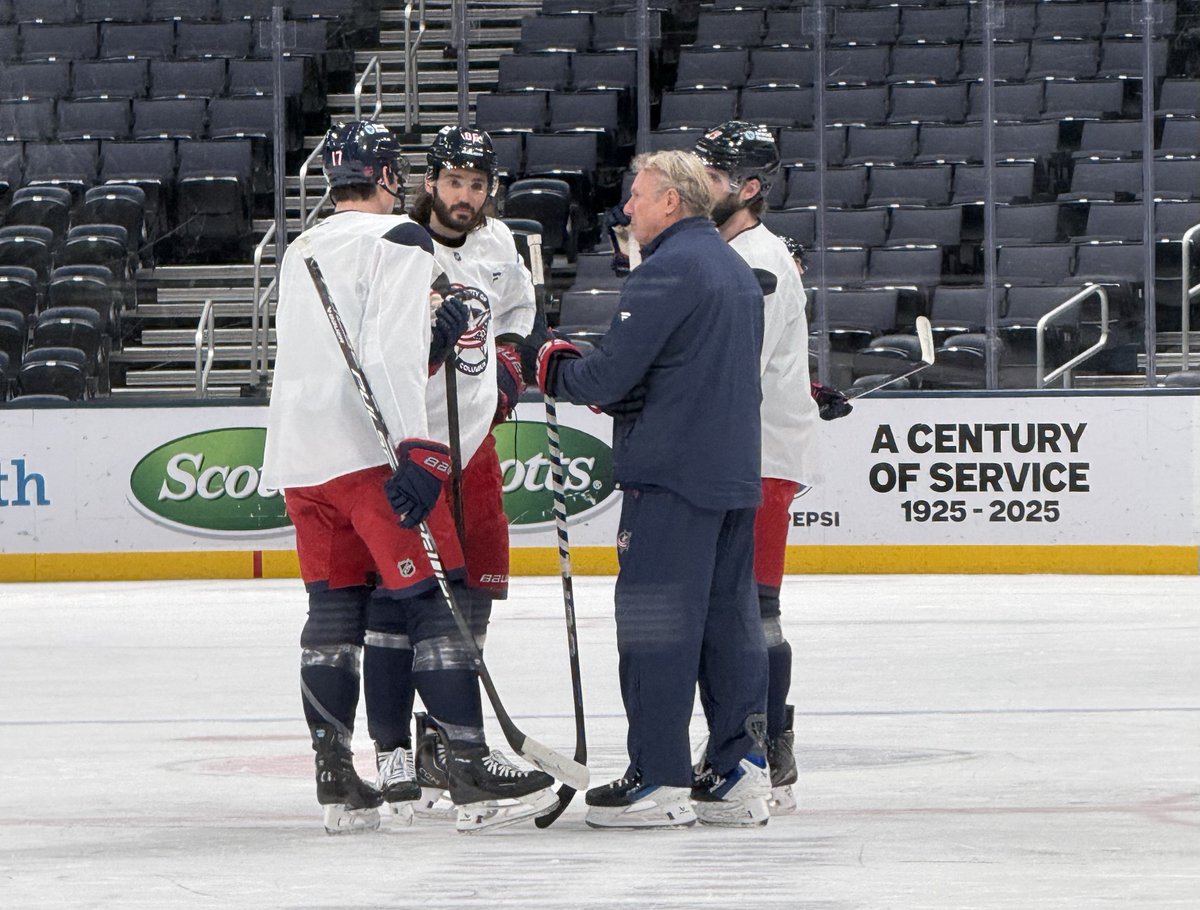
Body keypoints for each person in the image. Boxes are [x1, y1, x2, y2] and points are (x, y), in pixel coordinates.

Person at [261, 119, 555, 836]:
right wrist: (418, 449)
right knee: (436, 601)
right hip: (369, 456)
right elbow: (386, 357)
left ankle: (337, 776)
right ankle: (468, 764)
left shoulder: (301, 245)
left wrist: (435, 338)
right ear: (393, 176)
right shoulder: (401, 239)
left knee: (333, 613)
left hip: (303, 460)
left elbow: (324, 352)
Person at [522, 149, 772, 829]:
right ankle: (738, 770)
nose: (627, 208)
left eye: (637, 196)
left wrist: (545, 361)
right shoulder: (734, 269)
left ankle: (658, 777)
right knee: (730, 626)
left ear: (671, 202)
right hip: (731, 476)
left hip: (670, 478)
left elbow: (607, 381)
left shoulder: (667, 272)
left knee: (655, 629)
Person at [389, 125, 538, 820]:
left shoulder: (498, 243)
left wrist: (511, 356)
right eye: (454, 183)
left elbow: (515, 315)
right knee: (418, 594)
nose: (465, 197)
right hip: (415, 444)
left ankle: (447, 737)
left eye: (477, 185)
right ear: (430, 184)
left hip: (475, 441)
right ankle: (433, 745)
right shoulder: (397, 249)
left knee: (475, 581)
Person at [691, 121, 815, 815]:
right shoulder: (736, 252)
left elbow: (740, 364)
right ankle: (756, 748)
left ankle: (763, 750)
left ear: (749, 187)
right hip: (749, 449)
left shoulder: (756, 259)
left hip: (756, 455)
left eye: (712, 174)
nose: (699, 184)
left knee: (752, 610)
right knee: (738, 610)